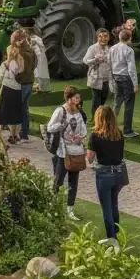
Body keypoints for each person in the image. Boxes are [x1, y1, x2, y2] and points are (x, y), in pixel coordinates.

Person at [87, 105, 128, 244]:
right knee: (114, 204)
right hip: (118, 174)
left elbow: (90, 158)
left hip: (104, 175)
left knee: (106, 208)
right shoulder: (119, 134)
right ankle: (116, 232)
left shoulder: (95, 135)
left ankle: (112, 238)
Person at [45, 87, 86, 222]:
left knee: (74, 182)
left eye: (79, 98)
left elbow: (84, 129)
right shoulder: (60, 111)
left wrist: (80, 136)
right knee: (58, 180)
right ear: (69, 99)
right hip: (63, 151)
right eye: (76, 98)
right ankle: (52, 207)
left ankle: (70, 209)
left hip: (76, 152)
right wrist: (62, 125)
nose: (78, 100)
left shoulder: (79, 112)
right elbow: (50, 127)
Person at [110, 28, 140, 139]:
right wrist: (135, 84)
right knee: (129, 104)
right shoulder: (129, 50)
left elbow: (110, 63)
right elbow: (131, 69)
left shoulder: (112, 48)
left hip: (116, 76)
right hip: (126, 79)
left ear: (119, 37)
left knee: (117, 102)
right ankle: (127, 130)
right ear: (130, 38)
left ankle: (110, 126)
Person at [0, 41, 24, 144]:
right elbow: (21, 72)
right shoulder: (17, 62)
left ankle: (9, 135)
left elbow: (0, 78)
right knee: (12, 113)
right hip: (14, 89)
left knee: (6, 113)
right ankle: (13, 135)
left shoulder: (9, 63)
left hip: (10, 89)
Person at [83, 28, 113, 113]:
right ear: (97, 38)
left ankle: (100, 117)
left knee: (103, 100)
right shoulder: (92, 48)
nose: (103, 38)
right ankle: (94, 118)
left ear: (109, 38)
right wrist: (95, 60)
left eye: (105, 36)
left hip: (106, 79)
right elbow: (85, 61)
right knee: (96, 101)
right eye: (100, 36)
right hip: (96, 79)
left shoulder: (110, 49)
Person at [14, 30, 36, 142]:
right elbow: (34, 65)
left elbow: (19, 69)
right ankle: (24, 133)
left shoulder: (20, 52)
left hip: (22, 82)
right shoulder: (31, 50)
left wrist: (16, 77)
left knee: (19, 108)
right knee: (24, 108)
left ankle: (18, 133)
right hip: (29, 81)